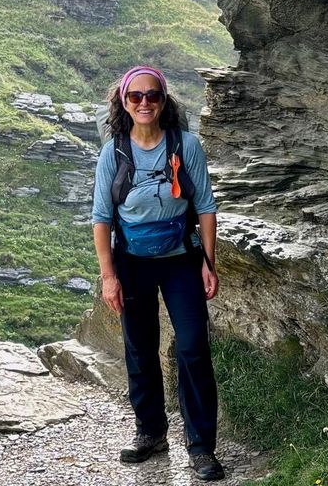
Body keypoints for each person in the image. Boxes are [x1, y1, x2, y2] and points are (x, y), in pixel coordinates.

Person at [91, 65, 224, 482]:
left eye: (153, 96)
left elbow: (204, 206)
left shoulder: (186, 145)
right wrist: (109, 277)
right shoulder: (113, 152)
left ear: (164, 102)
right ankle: (151, 432)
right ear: (124, 103)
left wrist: (208, 262)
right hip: (131, 261)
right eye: (136, 97)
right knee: (139, 347)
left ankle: (201, 447)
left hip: (181, 258)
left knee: (193, 348)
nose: (144, 102)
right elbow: (100, 217)